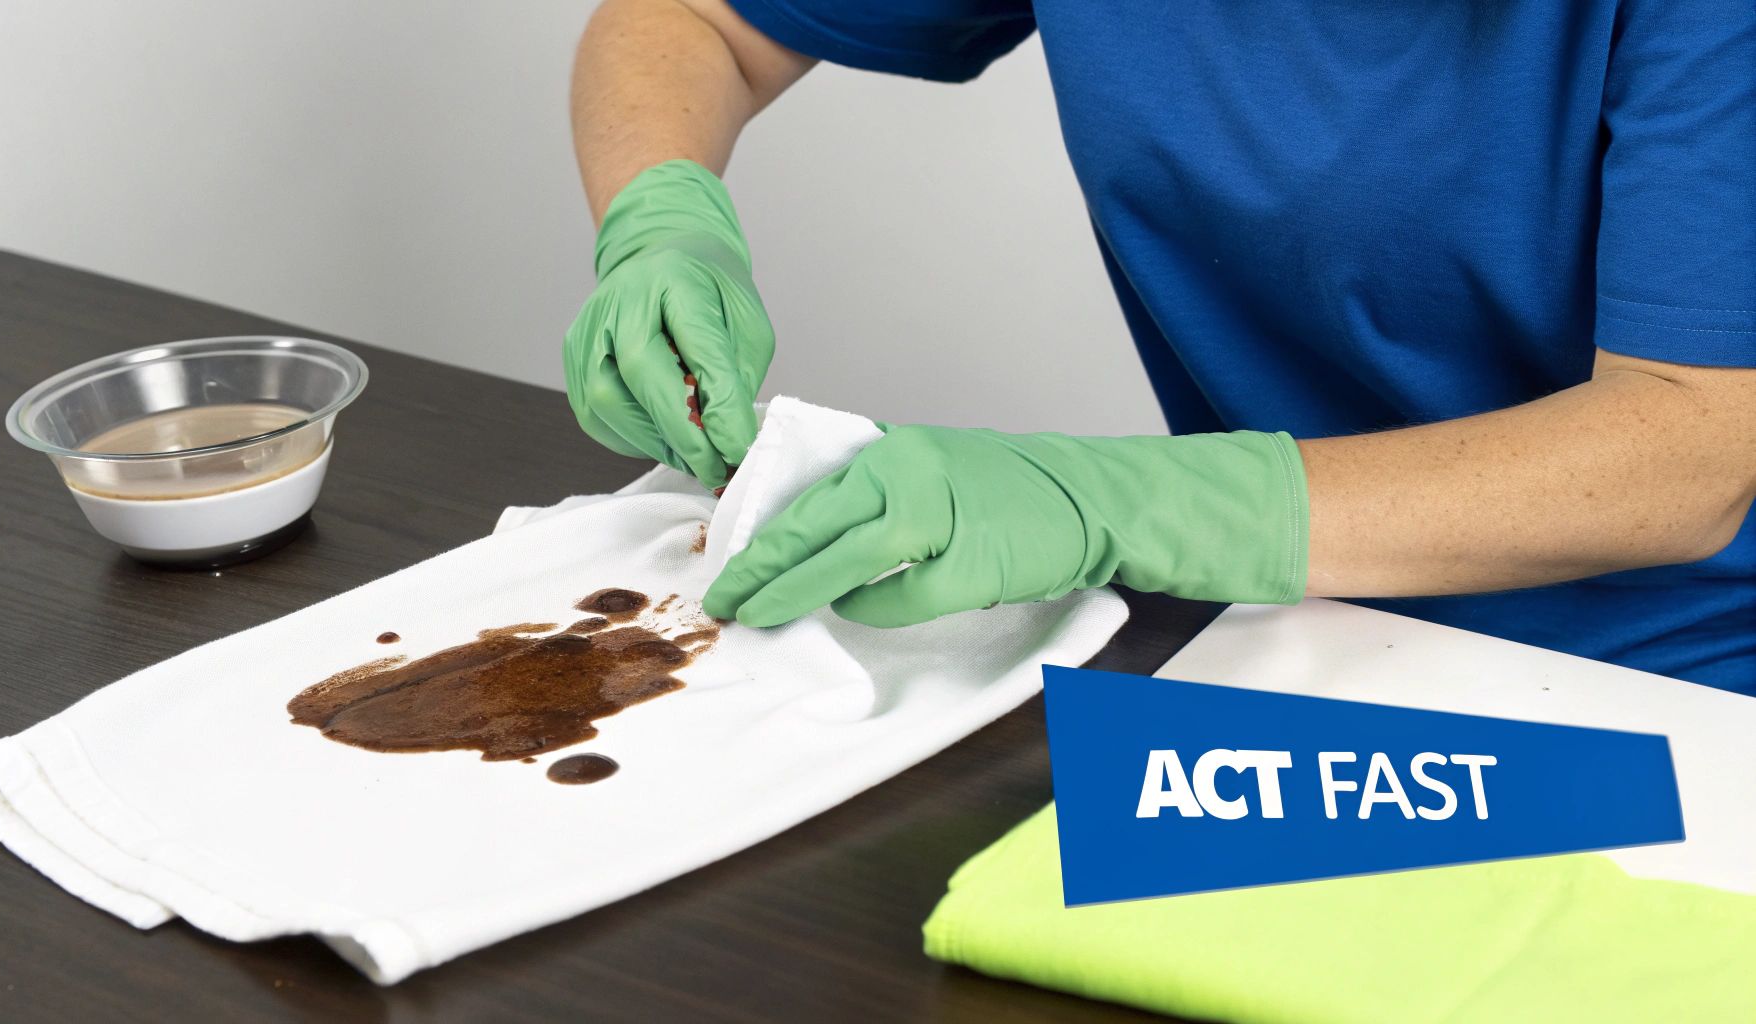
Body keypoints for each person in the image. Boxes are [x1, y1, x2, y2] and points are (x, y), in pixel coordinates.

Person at [562, 0, 1756, 692]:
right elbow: (697, 21)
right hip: (1276, 628)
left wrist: (1107, 503)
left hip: (1671, 684)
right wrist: (662, 224)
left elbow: (1684, 453)